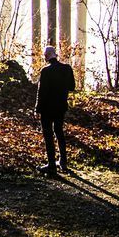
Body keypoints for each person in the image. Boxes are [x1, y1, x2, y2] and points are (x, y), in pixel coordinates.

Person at [35, 45, 76, 177]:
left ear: (46, 56)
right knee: (59, 132)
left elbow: (41, 92)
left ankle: (51, 164)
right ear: (55, 54)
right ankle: (63, 161)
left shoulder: (46, 71)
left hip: (47, 108)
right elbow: (72, 87)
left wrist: (37, 108)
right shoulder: (67, 68)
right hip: (61, 107)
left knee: (48, 135)